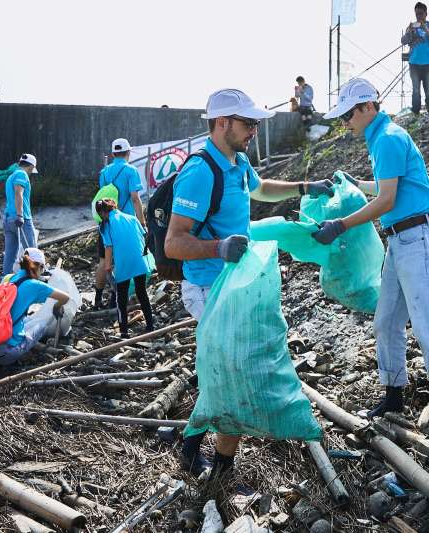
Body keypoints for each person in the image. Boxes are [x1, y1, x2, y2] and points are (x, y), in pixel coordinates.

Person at [165, 88, 334, 478]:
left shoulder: (238, 163)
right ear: (221, 122)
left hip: (235, 283)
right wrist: (218, 246)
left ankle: (193, 448)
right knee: (236, 369)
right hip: (209, 287)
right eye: (247, 123)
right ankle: (220, 465)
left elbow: (259, 188)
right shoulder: (199, 171)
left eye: (256, 123)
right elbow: (174, 242)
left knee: (228, 367)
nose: (254, 129)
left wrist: (304, 187)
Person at [313, 78, 429, 446]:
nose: (346, 121)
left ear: (368, 106)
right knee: (386, 321)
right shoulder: (382, 138)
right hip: (402, 240)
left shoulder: (387, 138)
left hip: (418, 237)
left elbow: (386, 201)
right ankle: (394, 396)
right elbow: (387, 190)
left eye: (349, 113)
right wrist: (357, 185)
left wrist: (340, 225)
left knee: (428, 326)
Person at [0, 248, 70, 365]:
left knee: (22, 320)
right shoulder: (35, 285)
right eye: (43, 269)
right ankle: (15, 357)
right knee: (41, 325)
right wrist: (57, 307)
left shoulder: (9, 278)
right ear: (40, 267)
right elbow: (65, 297)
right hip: (3, 355)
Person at [93, 138, 145, 310]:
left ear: (113, 153)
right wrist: (143, 224)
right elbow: (135, 199)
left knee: (103, 261)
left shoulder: (104, 172)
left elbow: (102, 197)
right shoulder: (131, 170)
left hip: (106, 223)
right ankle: (117, 297)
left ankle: (98, 298)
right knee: (124, 261)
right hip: (125, 225)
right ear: (128, 153)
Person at [96, 198, 154, 338]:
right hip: (141, 260)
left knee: (121, 299)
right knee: (142, 292)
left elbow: (108, 247)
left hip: (124, 264)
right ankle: (150, 326)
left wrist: (108, 268)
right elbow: (143, 235)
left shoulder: (105, 225)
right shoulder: (131, 217)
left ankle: (124, 332)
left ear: (102, 212)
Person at [401, 2, 429, 114]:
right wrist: (409, 32)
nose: (418, 16)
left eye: (421, 13)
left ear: (426, 13)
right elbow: (403, 41)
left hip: (428, 63)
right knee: (416, 90)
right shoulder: (412, 27)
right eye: (417, 14)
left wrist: (426, 29)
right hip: (414, 63)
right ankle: (416, 112)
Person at [3, 153, 38, 276]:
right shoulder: (21, 174)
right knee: (32, 251)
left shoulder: (11, 176)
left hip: (8, 218)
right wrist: (20, 215)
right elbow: (19, 193)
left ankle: (4, 279)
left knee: (10, 253)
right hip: (20, 218)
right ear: (31, 166)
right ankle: (35, 277)